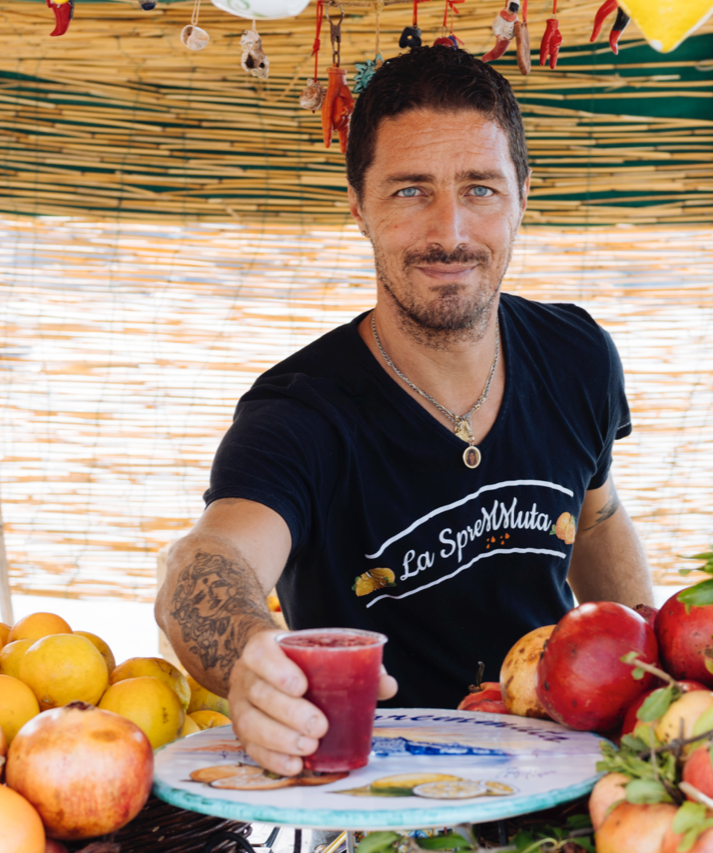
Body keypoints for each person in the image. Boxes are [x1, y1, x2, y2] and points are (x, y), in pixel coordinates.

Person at [155, 45, 653, 777]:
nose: (448, 232)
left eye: (480, 188)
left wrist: (655, 686)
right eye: (409, 191)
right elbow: (209, 562)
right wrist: (249, 659)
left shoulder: (578, 354)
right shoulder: (302, 412)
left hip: (565, 775)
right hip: (376, 796)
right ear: (358, 205)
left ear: (523, 195)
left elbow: (598, 516)